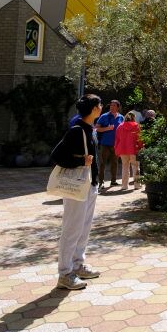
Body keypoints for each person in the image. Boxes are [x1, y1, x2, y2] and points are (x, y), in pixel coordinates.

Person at [50, 93, 103, 290]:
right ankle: (65, 273)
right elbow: (57, 156)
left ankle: (78, 265)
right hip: (76, 187)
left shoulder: (91, 129)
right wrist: (80, 161)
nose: (102, 107)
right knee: (72, 228)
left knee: (84, 227)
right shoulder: (77, 130)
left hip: (90, 185)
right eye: (99, 105)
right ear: (93, 109)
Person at [95, 100, 122, 189]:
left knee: (114, 163)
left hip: (116, 144)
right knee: (102, 164)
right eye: (111, 105)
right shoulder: (104, 116)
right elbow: (97, 128)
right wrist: (107, 128)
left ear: (118, 107)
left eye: (114, 106)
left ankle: (113, 181)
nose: (112, 107)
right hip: (105, 144)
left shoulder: (121, 117)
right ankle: (101, 182)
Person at [115, 111, 142, 190]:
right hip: (134, 149)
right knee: (136, 167)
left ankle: (124, 186)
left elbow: (117, 140)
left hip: (123, 149)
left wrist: (116, 149)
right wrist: (141, 146)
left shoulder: (120, 126)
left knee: (124, 167)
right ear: (134, 118)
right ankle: (137, 185)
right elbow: (140, 138)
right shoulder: (136, 126)